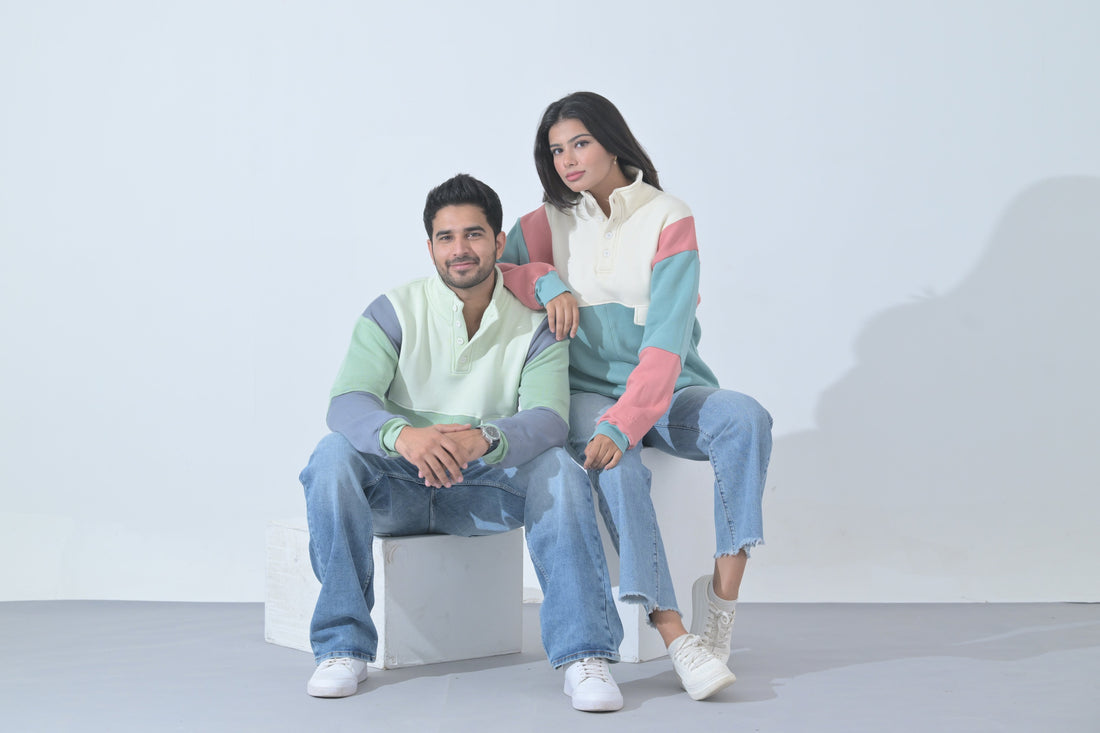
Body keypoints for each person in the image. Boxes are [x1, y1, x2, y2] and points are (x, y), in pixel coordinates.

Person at [299, 173, 626, 710]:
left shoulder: (537, 323)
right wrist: (404, 436)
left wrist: (485, 439)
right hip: (398, 487)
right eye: (445, 237)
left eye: (473, 234)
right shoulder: (392, 310)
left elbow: (548, 419)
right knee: (331, 456)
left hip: (485, 491)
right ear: (430, 246)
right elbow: (347, 401)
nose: (459, 250)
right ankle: (341, 648)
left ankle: (585, 655)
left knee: (560, 470)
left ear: (499, 241)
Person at [499, 92, 773, 702]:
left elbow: (668, 342)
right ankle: (674, 633)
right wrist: (546, 281)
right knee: (618, 469)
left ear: (612, 140)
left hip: (669, 386)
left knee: (745, 419)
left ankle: (721, 605)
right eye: (556, 150)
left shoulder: (668, 216)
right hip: (587, 393)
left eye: (580, 143)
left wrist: (627, 420)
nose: (568, 160)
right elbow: (500, 268)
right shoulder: (544, 222)